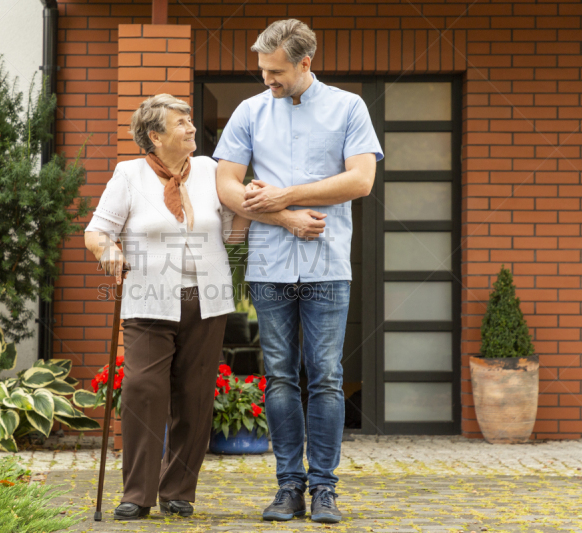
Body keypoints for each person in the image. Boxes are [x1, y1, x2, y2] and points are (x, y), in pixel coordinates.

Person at [214, 19, 384, 524]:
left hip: (327, 264)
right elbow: (227, 185)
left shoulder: (348, 107)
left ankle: (325, 489)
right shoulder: (249, 111)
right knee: (280, 377)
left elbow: (361, 179)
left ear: (304, 63)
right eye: (263, 70)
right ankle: (288, 487)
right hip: (269, 262)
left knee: (327, 378)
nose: (267, 79)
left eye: (276, 71)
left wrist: (286, 193)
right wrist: (284, 217)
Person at [84, 94, 250, 520]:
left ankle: (178, 491)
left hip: (206, 299)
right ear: (155, 136)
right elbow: (97, 231)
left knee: (195, 395)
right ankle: (137, 493)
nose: (191, 127)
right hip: (148, 299)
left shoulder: (212, 170)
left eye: (190, 120)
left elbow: (232, 232)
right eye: (181, 123)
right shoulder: (129, 174)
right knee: (144, 389)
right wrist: (109, 251)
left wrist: (250, 210)